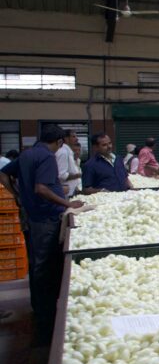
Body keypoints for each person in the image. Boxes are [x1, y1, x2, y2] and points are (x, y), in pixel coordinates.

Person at [0, 125, 84, 339]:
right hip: (45, 218)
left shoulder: (27, 154)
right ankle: (46, 320)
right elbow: (41, 188)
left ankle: (39, 310)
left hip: (32, 216)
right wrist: (67, 203)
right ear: (59, 142)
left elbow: (3, 174)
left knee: (37, 263)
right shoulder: (47, 156)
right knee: (44, 266)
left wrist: (17, 196)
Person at [55, 129, 80, 197]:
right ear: (66, 138)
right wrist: (77, 175)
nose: (77, 139)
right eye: (73, 136)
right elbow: (61, 175)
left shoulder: (68, 152)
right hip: (66, 193)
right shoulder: (63, 152)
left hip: (72, 190)